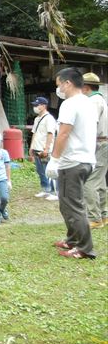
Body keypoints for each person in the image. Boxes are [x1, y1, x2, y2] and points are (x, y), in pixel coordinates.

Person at [46, 68, 97, 259]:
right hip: (86, 159)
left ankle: (84, 248)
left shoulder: (69, 104)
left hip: (72, 161)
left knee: (72, 205)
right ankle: (72, 239)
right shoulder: (88, 102)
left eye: (59, 85)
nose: (58, 89)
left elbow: (64, 133)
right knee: (66, 204)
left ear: (68, 83)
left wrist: (54, 159)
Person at [81, 72, 107, 229]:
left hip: (99, 143)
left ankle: (94, 218)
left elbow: (90, 125)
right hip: (104, 143)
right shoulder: (100, 99)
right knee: (101, 182)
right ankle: (104, 215)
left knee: (89, 183)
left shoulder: (93, 101)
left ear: (85, 87)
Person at [29, 97, 58, 200]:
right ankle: (45, 189)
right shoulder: (37, 119)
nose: (35, 107)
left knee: (49, 171)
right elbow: (34, 133)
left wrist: (46, 149)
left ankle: (54, 192)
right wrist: (31, 147)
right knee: (40, 170)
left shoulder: (49, 118)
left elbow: (50, 134)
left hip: (45, 149)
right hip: (36, 148)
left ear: (44, 106)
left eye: (37, 105)